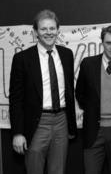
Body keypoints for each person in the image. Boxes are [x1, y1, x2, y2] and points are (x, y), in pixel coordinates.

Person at [9, 9, 77, 174]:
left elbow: (68, 90)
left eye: (52, 28)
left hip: (61, 121)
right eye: (44, 29)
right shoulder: (22, 59)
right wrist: (18, 133)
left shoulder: (67, 55)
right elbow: (16, 99)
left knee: (58, 171)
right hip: (37, 122)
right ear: (35, 32)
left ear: (57, 30)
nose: (48, 33)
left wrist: (71, 125)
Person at [75, 25, 111, 174]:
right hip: (94, 131)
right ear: (102, 42)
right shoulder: (88, 64)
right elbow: (79, 93)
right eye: (108, 43)